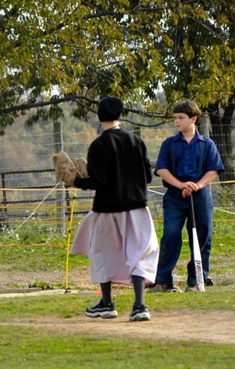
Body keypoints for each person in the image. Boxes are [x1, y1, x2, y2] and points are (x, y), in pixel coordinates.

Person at [69, 96, 159, 322]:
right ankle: (140, 306)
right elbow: (148, 176)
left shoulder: (99, 145)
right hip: (138, 209)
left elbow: (99, 181)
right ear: (120, 115)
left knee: (103, 253)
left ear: (99, 117)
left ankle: (107, 303)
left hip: (107, 210)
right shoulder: (136, 141)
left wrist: (76, 181)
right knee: (140, 254)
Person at [148, 99, 224, 293]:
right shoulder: (169, 144)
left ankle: (197, 280)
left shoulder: (207, 144)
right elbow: (162, 170)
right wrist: (181, 184)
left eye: (181, 118)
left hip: (200, 196)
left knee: (202, 237)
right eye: (175, 118)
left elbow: (214, 170)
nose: (176, 121)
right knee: (171, 235)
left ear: (193, 119)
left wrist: (197, 185)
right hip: (174, 196)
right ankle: (163, 281)